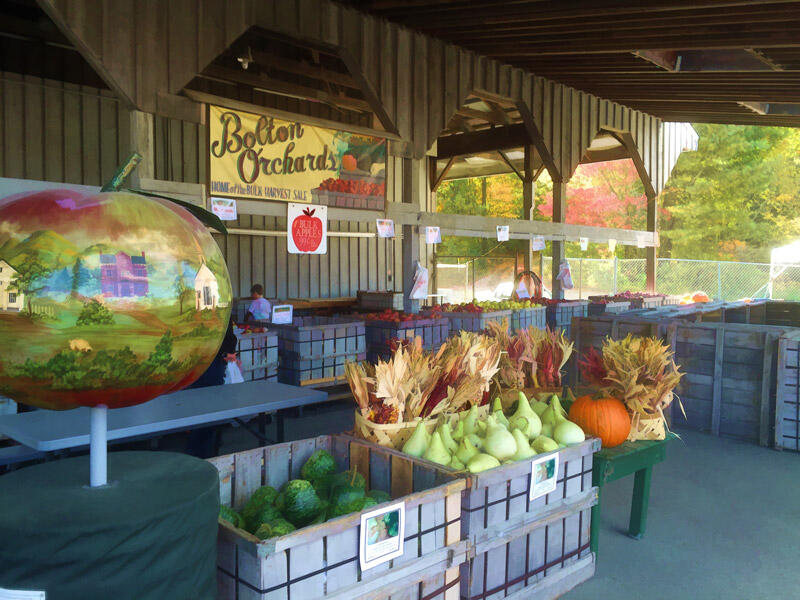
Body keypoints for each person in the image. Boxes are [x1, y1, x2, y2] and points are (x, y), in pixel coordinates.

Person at [186, 315, 239, 458]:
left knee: (199, 405)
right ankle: (204, 451)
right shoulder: (219, 307)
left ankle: (201, 448)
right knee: (211, 405)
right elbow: (226, 332)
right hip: (211, 360)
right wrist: (228, 351)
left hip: (194, 359)